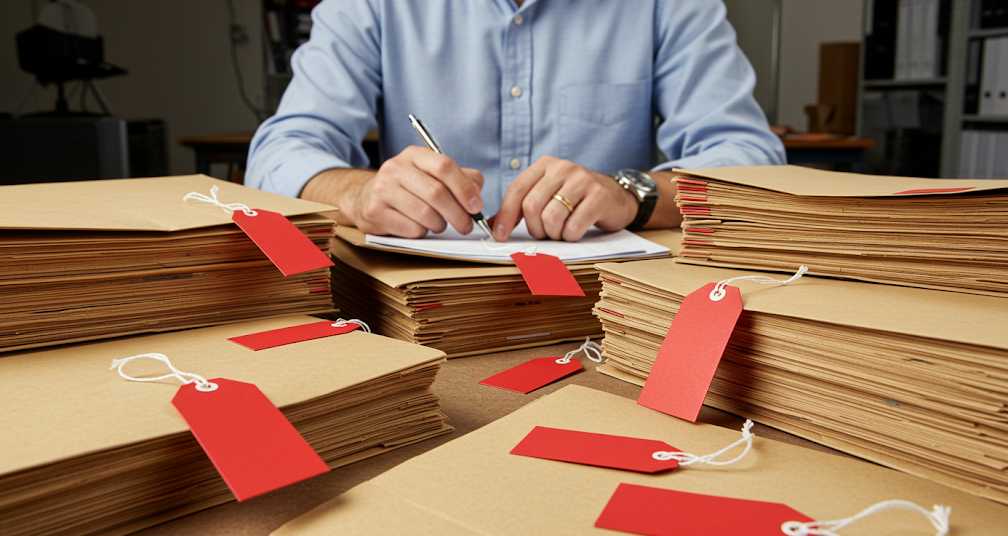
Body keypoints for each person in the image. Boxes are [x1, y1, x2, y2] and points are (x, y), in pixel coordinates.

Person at [246, 0, 784, 242]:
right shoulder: (370, 4)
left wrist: (632, 194)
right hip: (422, 310)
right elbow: (280, 151)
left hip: (613, 310)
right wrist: (359, 195)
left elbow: (750, 159)